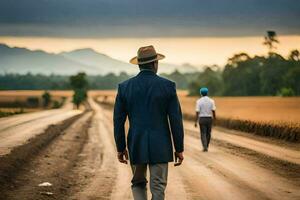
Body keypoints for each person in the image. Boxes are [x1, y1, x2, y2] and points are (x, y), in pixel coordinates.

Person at [113, 45, 184, 200]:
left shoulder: (124, 88)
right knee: (158, 185)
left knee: (138, 183)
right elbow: (176, 120)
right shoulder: (168, 86)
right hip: (161, 145)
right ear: (155, 64)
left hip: (136, 144)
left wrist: (120, 148)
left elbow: (118, 121)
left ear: (139, 65)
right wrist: (179, 148)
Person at [194, 87, 216, 152]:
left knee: (203, 133)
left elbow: (197, 112)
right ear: (207, 93)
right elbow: (213, 111)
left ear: (201, 93)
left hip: (202, 119)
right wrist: (215, 119)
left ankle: (205, 146)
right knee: (208, 133)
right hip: (209, 119)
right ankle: (207, 145)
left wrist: (195, 121)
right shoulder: (211, 101)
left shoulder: (199, 101)